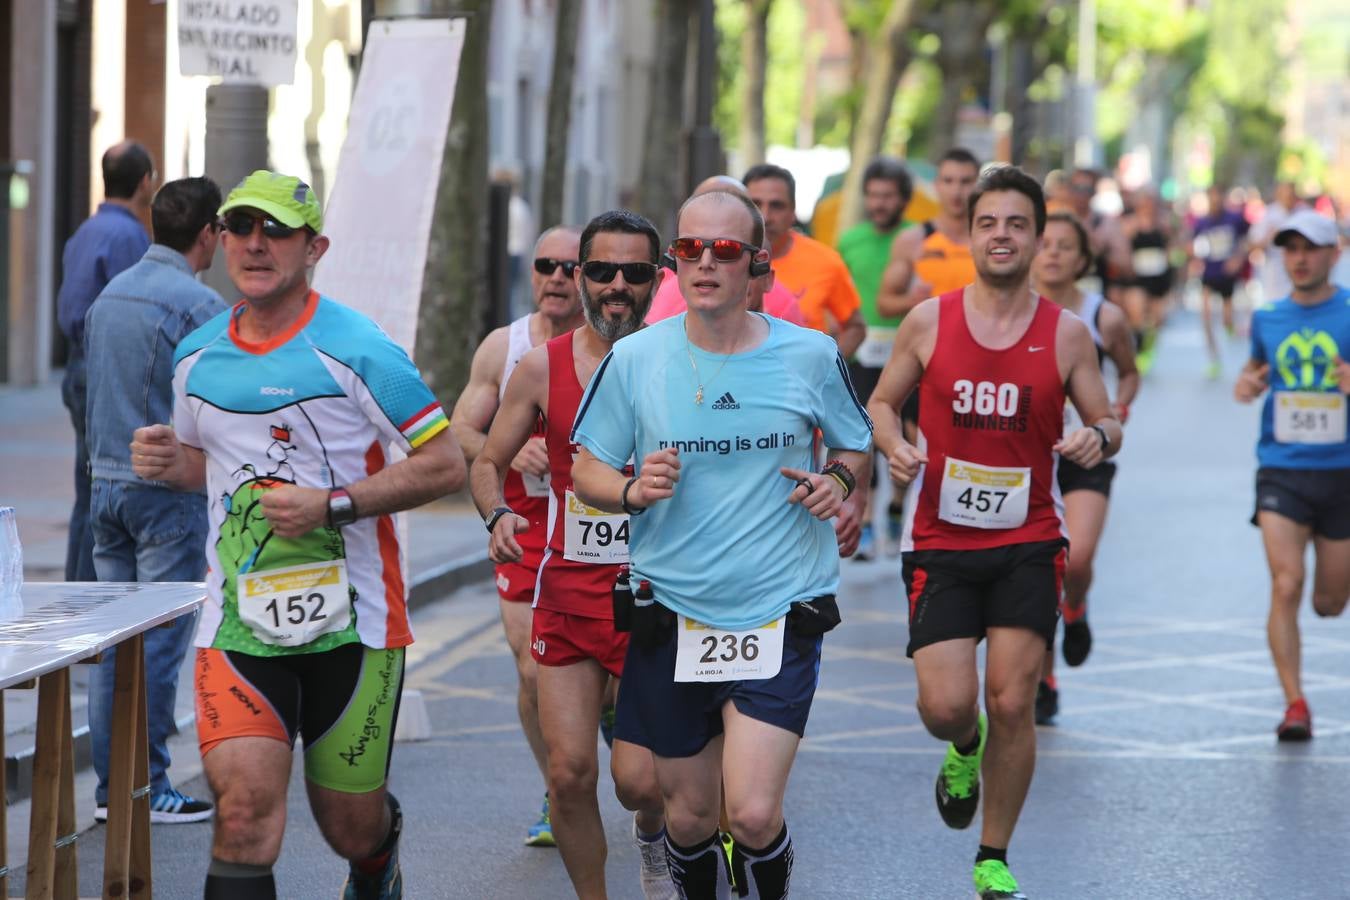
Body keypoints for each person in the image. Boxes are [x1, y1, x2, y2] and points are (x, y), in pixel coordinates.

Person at [130, 170, 466, 900]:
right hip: (238, 625)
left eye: (276, 231)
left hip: (354, 627)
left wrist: (334, 505)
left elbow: (445, 463)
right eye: (241, 228)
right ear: (219, 240)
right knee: (245, 817)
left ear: (314, 247)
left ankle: (378, 861)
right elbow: (208, 468)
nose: (255, 244)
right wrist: (169, 463)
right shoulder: (195, 356)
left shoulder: (359, 348)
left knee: (349, 826)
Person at [571, 189, 873, 900]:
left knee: (756, 812)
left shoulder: (809, 355)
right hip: (674, 612)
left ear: (757, 265)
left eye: (726, 251)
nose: (705, 262)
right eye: (689, 250)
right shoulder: (638, 358)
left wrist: (836, 479)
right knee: (689, 814)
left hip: (779, 606)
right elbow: (585, 469)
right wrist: (631, 490)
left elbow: (855, 447)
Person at [868, 166, 1122, 900]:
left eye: (1017, 223)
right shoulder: (929, 320)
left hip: (1029, 539)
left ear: (1040, 237)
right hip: (943, 542)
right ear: (970, 233)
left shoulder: (1068, 335)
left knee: (1013, 700)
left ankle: (993, 853)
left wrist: (1095, 442)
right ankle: (963, 747)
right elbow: (882, 404)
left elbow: (1107, 421)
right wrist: (893, 444)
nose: (1002, 235)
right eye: (988, 223)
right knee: (946, 705)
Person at [470, 210, 674, 900]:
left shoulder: (683, 361)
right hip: (569, 594)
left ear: (657, 280)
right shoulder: (538, 368)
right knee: (568, 774)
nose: (618, 286)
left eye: (636, 273)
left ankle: (653, 833)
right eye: (603, 271)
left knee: (642, 782)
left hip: (661, 594)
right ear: (581, 276)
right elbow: (486, 458)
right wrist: (497, 511)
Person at [83, 176, 227, 824]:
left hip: (104, 487)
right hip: (164, 495)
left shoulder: (111, 294)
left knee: (116, 646)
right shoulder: (198, 307)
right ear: (208, 235)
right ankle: (153, 785)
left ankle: (115, 790)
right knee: (161, 644)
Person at [449, 225, 584, 847]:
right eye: (545, 265)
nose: (556, 276)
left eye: (569, 266)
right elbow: (461, 431)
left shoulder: (616, 347)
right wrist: (514, 450)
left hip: (599, 532)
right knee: (532, 669)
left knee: (598, 682)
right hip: (528, 529)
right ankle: (558, 791)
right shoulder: (502, 348)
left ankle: (597, 733)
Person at [1233, 208, 1350, 741]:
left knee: (1328, 602)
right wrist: (1247, 385)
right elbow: (1255, 370)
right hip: (1281, 468)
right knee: (1286, 583)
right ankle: (1295, 703)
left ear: (1335, 253)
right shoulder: (1268, 317)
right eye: (1290, 248)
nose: (1299, 259)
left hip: (1342, 472)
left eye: (1310, 248)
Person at [1029, 212, 1140, 724]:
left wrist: (1114, 410)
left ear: (1081, 259)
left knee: (1077, 559)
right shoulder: (1014, 311)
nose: (1052, 253)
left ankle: (1076, 606)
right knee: (1041, 569)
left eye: (1064, 246)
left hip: (1086, 453)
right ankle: (1044, 678)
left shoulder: (1104, 316)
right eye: (1045, 243)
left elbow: (1129, 372)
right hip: (1029, 456)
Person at [56, 140, 155, 582]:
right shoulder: (130, 236)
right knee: (104, 491)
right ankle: (91, 602)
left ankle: (77, 595)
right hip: (101, 371)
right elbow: (133, 315)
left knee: (88, 490)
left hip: (78, 367)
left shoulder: (87, 231)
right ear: (145, 183)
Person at [876, 147, 981, 551]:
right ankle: (925, 524)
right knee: (927, 449)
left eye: (966, 181)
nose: (957, 191)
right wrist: (912, 299)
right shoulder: (914, 240)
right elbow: (885, 302)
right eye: (949, 181)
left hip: (983, 363)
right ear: (937, 186)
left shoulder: (987, 236)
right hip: (929, 363)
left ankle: (962, 525)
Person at [837, 156, 914, 560]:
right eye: (873, 195)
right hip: (864, 353)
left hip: (908, 350)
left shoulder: (916, 239)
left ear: (903, 199)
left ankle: (899, 505)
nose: (880, 203)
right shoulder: (850, 240)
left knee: (907, 435)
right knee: (864, 434)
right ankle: (865, 524)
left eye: (888, 196)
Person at [744, 163, 866, 358]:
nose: (765, 217)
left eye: (777, 205)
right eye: (755, 204)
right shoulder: (722, 258)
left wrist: (826, 370)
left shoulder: (826, 261)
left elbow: (856, 328)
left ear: (793, 212)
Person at [648, 177, 805, 328]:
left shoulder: (783, 305)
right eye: (690, 247)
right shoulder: (657, 290)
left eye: (726, 248)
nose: (705, 262)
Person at [1191, 184, 1251, 378]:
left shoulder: (1234, 219)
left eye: (1218, 197)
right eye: (1211, 197)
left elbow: (1246, 240)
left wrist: (1237, 259)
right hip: (1209, 274)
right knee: (1206, 316)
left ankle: (1230, 326)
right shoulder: (1202, 222)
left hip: (1227, 274)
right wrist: (1193, 257)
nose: (1215, 201)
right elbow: (1191, 243)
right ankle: (1213, 357)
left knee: (1226, 318)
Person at [1121, 189, 1177, 372]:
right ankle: (1135, 349)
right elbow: (1122, 248)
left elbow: (1172, 248)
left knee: (1157, 319)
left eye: (1151, 203)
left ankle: (1148, 349)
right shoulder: (1130, 224)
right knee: (1137, 314)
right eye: (1144, 203)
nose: (1148, 207)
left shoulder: (1164, 224)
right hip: (1137, 277)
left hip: (1159, 277)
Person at [1250, 181, 1302, 305]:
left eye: (1291, 194)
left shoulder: (1303, 213)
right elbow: (1253, 244)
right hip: (1275, 273)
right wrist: (1270, 238)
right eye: (1286, 194)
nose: (1289, 198)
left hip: (1299, 272)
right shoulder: (1268, 215)